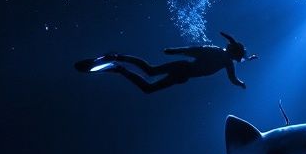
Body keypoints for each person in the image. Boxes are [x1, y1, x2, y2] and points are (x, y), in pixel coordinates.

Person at [74, 32, 256, 93]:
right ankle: (118, 60)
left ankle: (119, 66)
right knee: (150, 73)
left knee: (149, 85)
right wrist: (174, 51)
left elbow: (233, 79)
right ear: (233, 54)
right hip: (183, 69)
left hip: (183, 75)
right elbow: (194, 49)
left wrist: (240, 83)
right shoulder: (218, 54)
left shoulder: (227, 63)